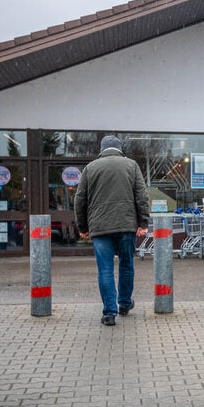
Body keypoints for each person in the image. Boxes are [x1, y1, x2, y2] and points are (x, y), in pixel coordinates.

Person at [74, 135, 149, 326]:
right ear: (119, 148)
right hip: (126, 224)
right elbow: (142, 196)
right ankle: (124, 303)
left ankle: (109, 313)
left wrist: (83, 227)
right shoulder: (131, 165)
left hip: (99, 227)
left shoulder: (91, 168)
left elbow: (79, 200)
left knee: (105, 269)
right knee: (126, 264)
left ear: (102, 149)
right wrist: (143, 222)